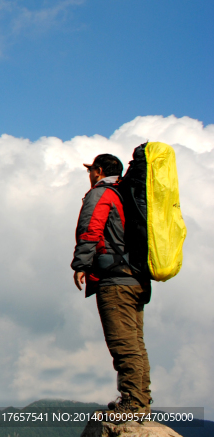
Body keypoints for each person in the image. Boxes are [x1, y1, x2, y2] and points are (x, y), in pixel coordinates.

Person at [71, 153, 151, 414]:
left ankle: (131, 403)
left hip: (115, 279)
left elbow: (91, 227)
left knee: (123, 344)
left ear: (100, 170)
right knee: (135, 343)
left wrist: (81, 264)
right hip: (136, 278)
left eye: (91, 170)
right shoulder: (126, 194)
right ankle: (140, 400)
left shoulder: (102, 193)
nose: (90, 175)